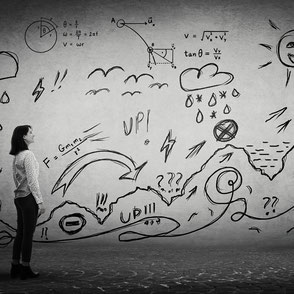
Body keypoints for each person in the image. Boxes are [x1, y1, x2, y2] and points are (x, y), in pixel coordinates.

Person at [9, 125, 45, 280]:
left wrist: (21, 194)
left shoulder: (17, 155)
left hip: (19, 198)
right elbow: (32, 181)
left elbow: (16, 179)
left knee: (20, 234)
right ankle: (25, 268)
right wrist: (40, 201)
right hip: (29, 198)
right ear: (24, 136)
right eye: (31, 132)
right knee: (27, 235)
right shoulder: (28, 155)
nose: (33, 134)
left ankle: (15, 266)